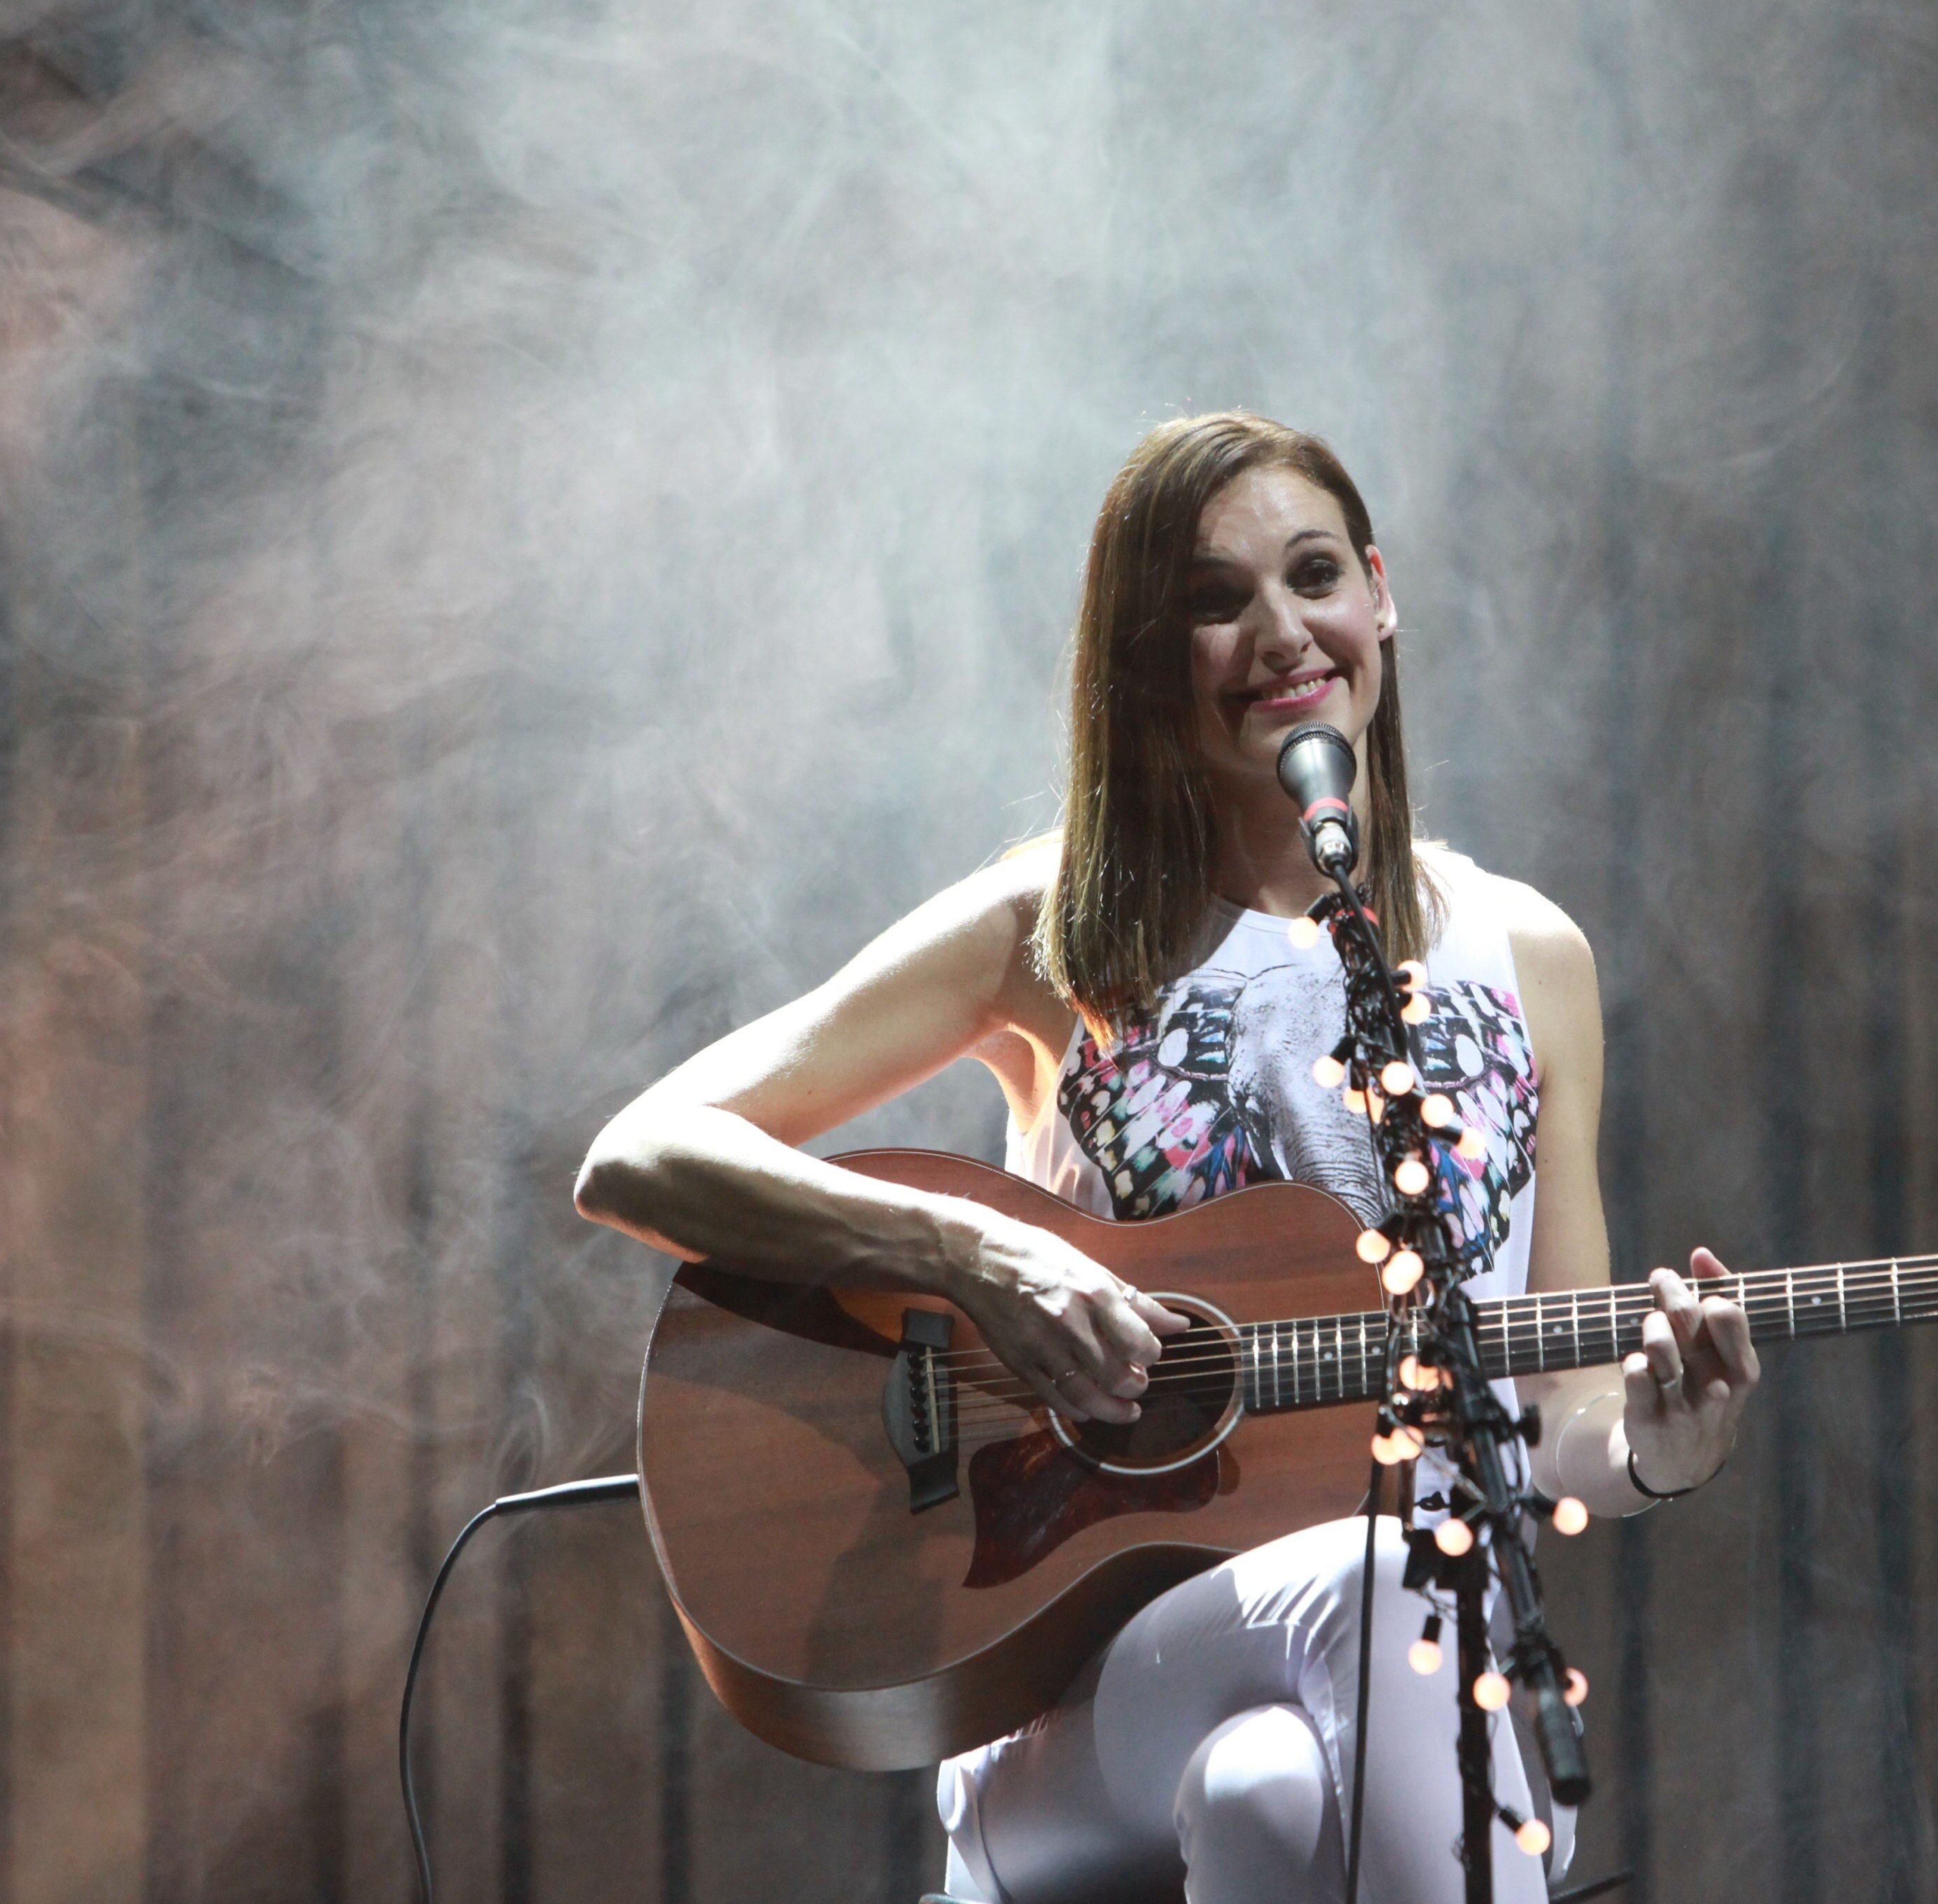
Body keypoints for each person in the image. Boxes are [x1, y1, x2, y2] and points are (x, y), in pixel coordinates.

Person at [574, 412, 1760, 1904]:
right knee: (1384, 1577)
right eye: (1214, 601)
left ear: (1380, 594)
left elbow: (1558, 1418)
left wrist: (1663, 1444)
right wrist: (973, 1254)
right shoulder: (1052, 930)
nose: (1281, 631)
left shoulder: (1531, 955)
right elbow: (643, 1151)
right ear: (1147, 660)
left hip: (1398, 1669)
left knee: (1267, 1794)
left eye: (1314, 574)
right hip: (1067, 1687)